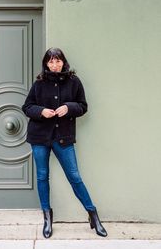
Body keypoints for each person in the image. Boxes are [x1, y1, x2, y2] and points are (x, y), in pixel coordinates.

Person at [22, 47, 107, 239]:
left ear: (63, 62)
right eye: (51, 61)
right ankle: (47, 217)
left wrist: (68, 107)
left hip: (63, 137)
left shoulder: (74, 81)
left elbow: (83, 106)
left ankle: (93, 214)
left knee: (74, 176)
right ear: (46, 63)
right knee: (42, 177)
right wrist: (41, 111)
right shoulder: (39, 83)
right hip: (40, 138)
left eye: (57, 61)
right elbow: (27, 107)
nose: (54, 65)